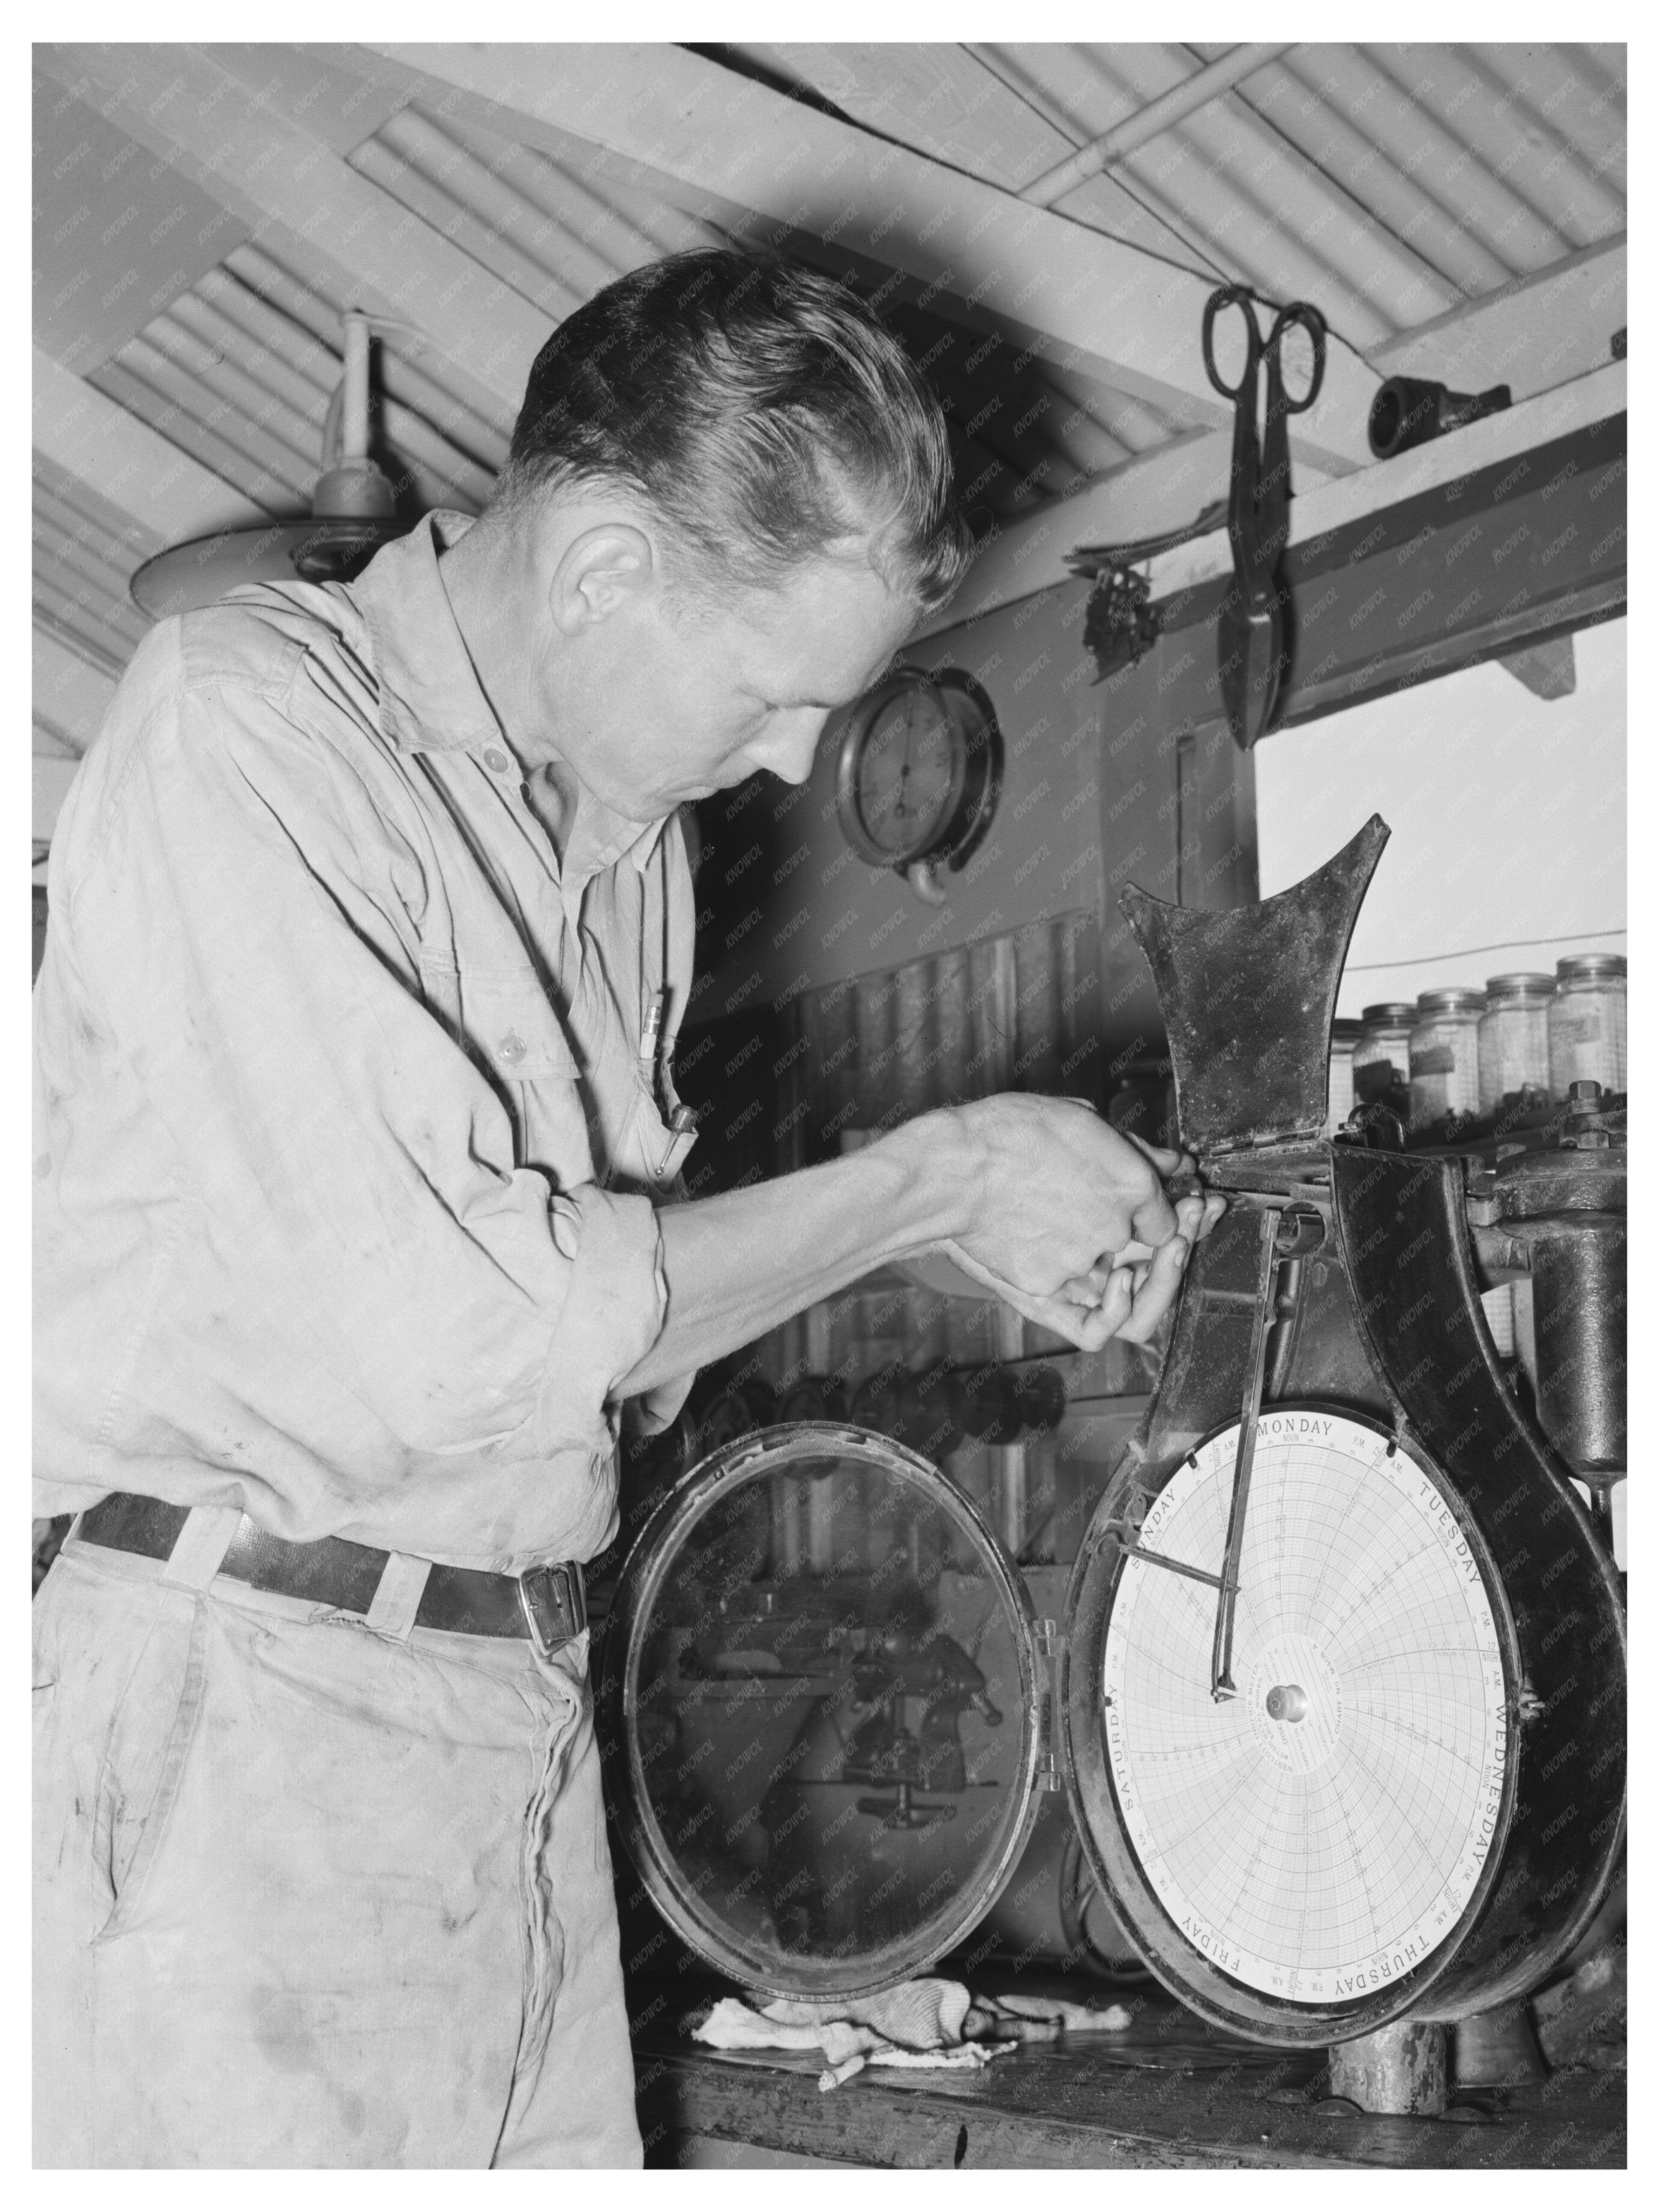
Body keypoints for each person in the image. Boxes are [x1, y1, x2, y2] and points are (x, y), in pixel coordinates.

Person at [33, 247, 1219, 2167]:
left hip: (509, 1715)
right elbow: (469, 1341)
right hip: (240, 1728)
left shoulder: (631, 849)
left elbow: (616, 1365)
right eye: (770, 694)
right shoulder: (247, 732)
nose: (785, 763)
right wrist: (935, 1179)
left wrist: (972, 1226)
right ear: (599, 564)